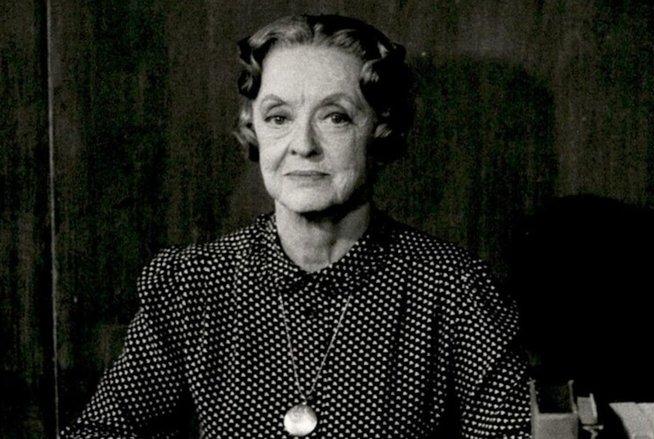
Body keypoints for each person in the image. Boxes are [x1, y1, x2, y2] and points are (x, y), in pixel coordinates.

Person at [62, 14, 531, 438]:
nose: (302, 144)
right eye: (279, 117)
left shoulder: (453, 289)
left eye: (335, 117)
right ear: (253, 128)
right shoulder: (193, 286)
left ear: (380, 129)